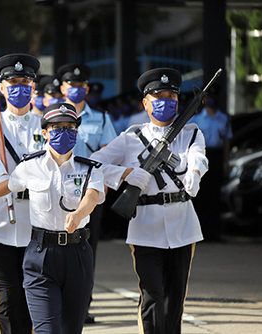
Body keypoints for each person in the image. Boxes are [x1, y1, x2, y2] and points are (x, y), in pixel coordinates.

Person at [90, 67, 208, 334]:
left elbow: (198, 156)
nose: (165, 102)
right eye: (158, 97)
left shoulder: (190, 133)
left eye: (171, 96)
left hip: (182, 225)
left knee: (174, 300)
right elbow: (94, 163)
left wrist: (195, 173)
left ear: (178, 101)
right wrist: (126, 174)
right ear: (145, 103)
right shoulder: (132, 138)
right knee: (152, 296)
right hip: (145, 228)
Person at [0, 102, 104, 334]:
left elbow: (92, 197)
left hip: (77, 255)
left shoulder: (90, 169)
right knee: (47, 330)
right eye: (56, 128)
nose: (64, 133)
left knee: (71, 328)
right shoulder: (30, 165)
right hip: (41, 255)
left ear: (77, 131)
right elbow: (9, 185)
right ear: (44, 133)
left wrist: (78, 215)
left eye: (69, 127)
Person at [0, 53, 42, 334]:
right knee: (8, 299)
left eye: (24, 82)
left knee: (33, 298)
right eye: (12, 82)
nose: (19, 88)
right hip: (1, 221)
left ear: (33, 87)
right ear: (1, 88)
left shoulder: (47, 125)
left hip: (39, 222)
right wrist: (11, 182)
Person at [57, 62, 117, 323]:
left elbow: (109, 154)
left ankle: (83, 305)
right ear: (62, 88)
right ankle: (54, 303)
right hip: (57, 193)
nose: (77, 90)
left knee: (86, 251)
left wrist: (100, 188)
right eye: (72, 85)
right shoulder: (51, 117)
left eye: (81, 86)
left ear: (87, 89)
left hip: (89, 194)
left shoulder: (101, 118)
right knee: (54, 249)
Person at [189, 90, 232, 241]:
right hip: (201, 156)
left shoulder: (224, 119)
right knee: (201, 196)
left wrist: (226, 163)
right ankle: (201, 233)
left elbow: (227, 141)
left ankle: (215, 232)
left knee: (215, 196)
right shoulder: (197, 119)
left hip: (216, 157)